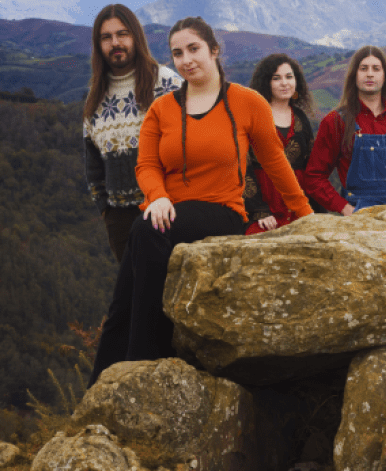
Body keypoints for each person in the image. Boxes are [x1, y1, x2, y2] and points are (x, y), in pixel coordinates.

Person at [88, 16, 313, 385]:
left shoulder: (247, 102)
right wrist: (157, 196)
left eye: (193, 49)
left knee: (146, 232)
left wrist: (306, 214)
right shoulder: (162, 109)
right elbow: (146, 165)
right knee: (120, 304)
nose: (186, 60)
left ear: (213, 50)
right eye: (177, 53)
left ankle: (146, 362)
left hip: (221, 211)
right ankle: (99, 390)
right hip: (166, 212)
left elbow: (275, 162)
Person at [84, 4, 182, 262]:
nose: (115, 43)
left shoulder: (166, 82)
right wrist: (106, 212)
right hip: (121, 221)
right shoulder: (94, 98)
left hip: (168, 209)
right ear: (99, 44)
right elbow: (94, 167)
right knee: (134, 298)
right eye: (107, 37)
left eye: (122, 34)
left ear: (136, 37)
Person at [304, 45, 386, 214]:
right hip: (362, 218)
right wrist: (345, 209)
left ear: (385, 76)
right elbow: (314, 177)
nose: (370, 74)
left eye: (376, 69)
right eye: (363, 69)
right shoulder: (337, 121)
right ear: (354, 75)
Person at [242, 53, 325, 234]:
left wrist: (317, 211)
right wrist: (259, 211)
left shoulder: (301, 119)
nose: (284, 83)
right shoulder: (253, 117)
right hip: (262, 201)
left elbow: (310, 166)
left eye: (289, 77)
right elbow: (243, 167)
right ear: (266, 82)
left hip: (297, 202)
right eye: (276, 78)